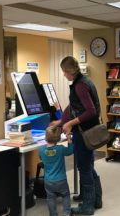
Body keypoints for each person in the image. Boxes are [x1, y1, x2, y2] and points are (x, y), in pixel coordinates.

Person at [59, 56, 103, 215]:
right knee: (88, 165)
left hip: (84, 132)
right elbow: (73, 106)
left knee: (84, 167)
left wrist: (70, 123)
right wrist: (61, 121)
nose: (64, 75)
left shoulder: (79, 85)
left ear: (69, 71)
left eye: (64, 72)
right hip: (88, 130)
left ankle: (88, 206)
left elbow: (90, 111)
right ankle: (95, 198)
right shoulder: (85, 81)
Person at [39, 126, 74, 216]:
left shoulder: (41, 150)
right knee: (65, 195)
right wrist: (69, 139)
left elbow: (41, 158)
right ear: (58, 139)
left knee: (50, 198)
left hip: (48, 181)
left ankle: (53, 214)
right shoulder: (60, 149)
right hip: (61, 180)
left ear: (45, 138)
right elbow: (70, 150)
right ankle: (67, 213)